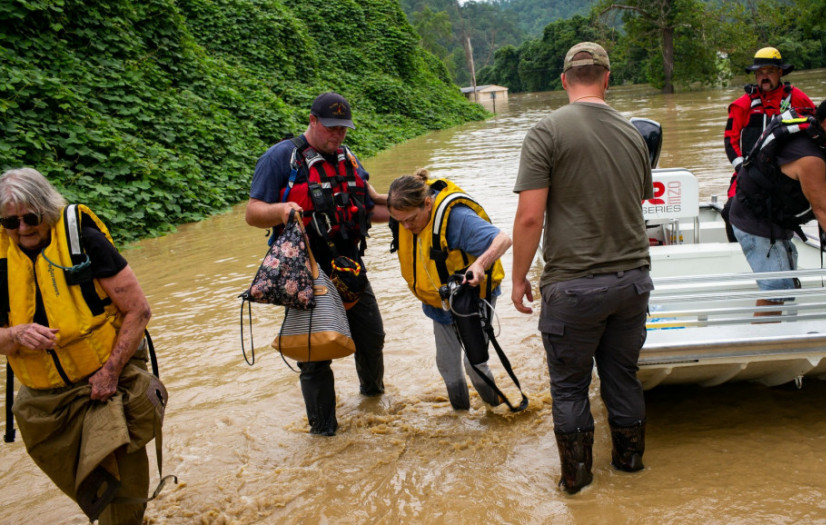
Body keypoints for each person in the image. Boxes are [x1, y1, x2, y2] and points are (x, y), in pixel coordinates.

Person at [510, 42, 654, 494]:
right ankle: (630, 466)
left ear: (564, 80)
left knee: (571, 389)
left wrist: (517, 278)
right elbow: (640, 198)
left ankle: (578, 485)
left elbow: (531, 216)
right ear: (607, 78)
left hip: (574, 287)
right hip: (632, 282)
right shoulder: (635, 133)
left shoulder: (546, 132)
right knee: (622, 378)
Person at [0, 168, 168, 524]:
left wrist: (109, 374)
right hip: (45, 401)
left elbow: (138, 310)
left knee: (122, 492)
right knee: (90, 487)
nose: (23, 229)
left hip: (105, 383)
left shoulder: (84, 239)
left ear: (47, 209)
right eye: (10, 223)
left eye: (31, 218)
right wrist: (15, 335)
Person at [246, 92, 387, 436]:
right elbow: (252, 212)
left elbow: (370, 206)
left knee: (372, 337)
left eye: (343, 129)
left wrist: (412, 211)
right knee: (314, 355)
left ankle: (373, 402)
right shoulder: (282, 157)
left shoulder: (348, 158)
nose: (337, 135)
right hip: (306, 271)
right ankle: (324, 433)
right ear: (312, 121)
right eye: (330, 128)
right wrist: (280, 211)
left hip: (348, 267)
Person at [728, 93, 826, 317]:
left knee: (783, 286)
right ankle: (763, 347)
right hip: (757, 224)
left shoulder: (812, 127)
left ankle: (775, 337)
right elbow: (823, 209)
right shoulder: (810, 159)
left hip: (765, 215)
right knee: (776, 292)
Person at [386, 169, 511, 410]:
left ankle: (496, 412)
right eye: (400, 221)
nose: (406, 226)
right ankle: (460, 417)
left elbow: (503, 239)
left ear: (428, 203)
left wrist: (480, 264)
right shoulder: (404, 214)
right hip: (439, 301)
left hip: (470, 298)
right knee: (447, 365)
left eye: (411, 219)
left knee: (474, 365)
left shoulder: (457, 218)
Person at [722, 47, 815, 241]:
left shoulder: (797, 98)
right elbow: (730, 140)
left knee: (788, 212)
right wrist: (741, 169)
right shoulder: (742, 104)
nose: (764, 77)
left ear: (780, 73)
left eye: (769, 72)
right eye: (760, 73)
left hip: (786, 171)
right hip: (749, 170)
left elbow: (819, 127)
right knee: (730, 211)